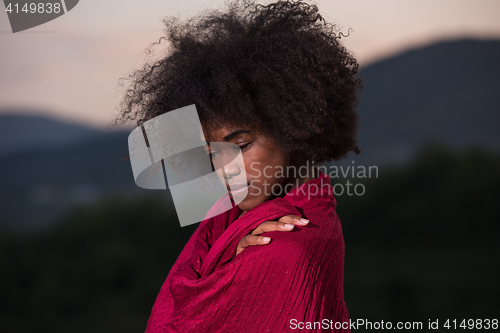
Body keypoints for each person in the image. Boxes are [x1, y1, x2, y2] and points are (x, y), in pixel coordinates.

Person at [115, 0, 362, 331]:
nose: (224, 167)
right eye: (211, 152)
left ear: (293, 129)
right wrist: (233, 260)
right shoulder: (243, 215)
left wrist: (245, 267)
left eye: (241, 145)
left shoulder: (281, 246)